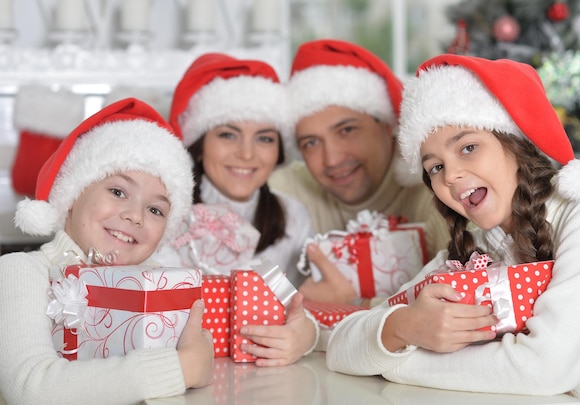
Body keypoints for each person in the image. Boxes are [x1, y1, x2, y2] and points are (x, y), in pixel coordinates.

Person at [326, 54, 580, 405]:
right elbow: (340, 347)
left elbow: (544, 366)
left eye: (468, 148)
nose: (449, 175)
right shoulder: (479, 246)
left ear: (515, 142)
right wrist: (403, 327)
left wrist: (398, 364)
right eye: (435, 167)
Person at [0, 98, 214, 405]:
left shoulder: (158, 286)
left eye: (155, 209)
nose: (135, 215)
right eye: (117, 191)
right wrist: (181, 368)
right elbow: (30, 389)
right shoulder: (21, 272)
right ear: (72, 194)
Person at [158, 53, 318, 367]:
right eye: (228, 134)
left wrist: (306, 336)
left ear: (279, 151)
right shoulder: (164, 213)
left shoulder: (295, 215)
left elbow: (302, 306)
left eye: (264, 138)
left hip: (268, 377)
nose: (246, 153)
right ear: (199, 146)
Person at [268, 39, 450, 304]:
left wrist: (349, 307)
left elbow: (458, 302)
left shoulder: (437, 183)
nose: (332, 159)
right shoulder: (286, 191)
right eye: (311, 143)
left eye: (347, 130)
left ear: (387, 124)